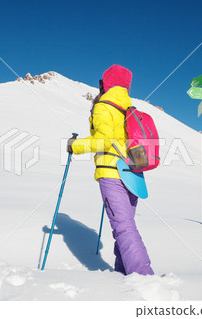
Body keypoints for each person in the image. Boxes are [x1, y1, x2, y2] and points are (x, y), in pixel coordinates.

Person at [67, 65, 154, 276]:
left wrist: (74, 146)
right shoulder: (129, 108)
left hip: (112, 172)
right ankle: (123, 275)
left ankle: (143, 277)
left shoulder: (104, 107)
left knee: (123, 228)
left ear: (105, 83)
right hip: (133, 174)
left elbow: (103, 141)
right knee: (125, 226)